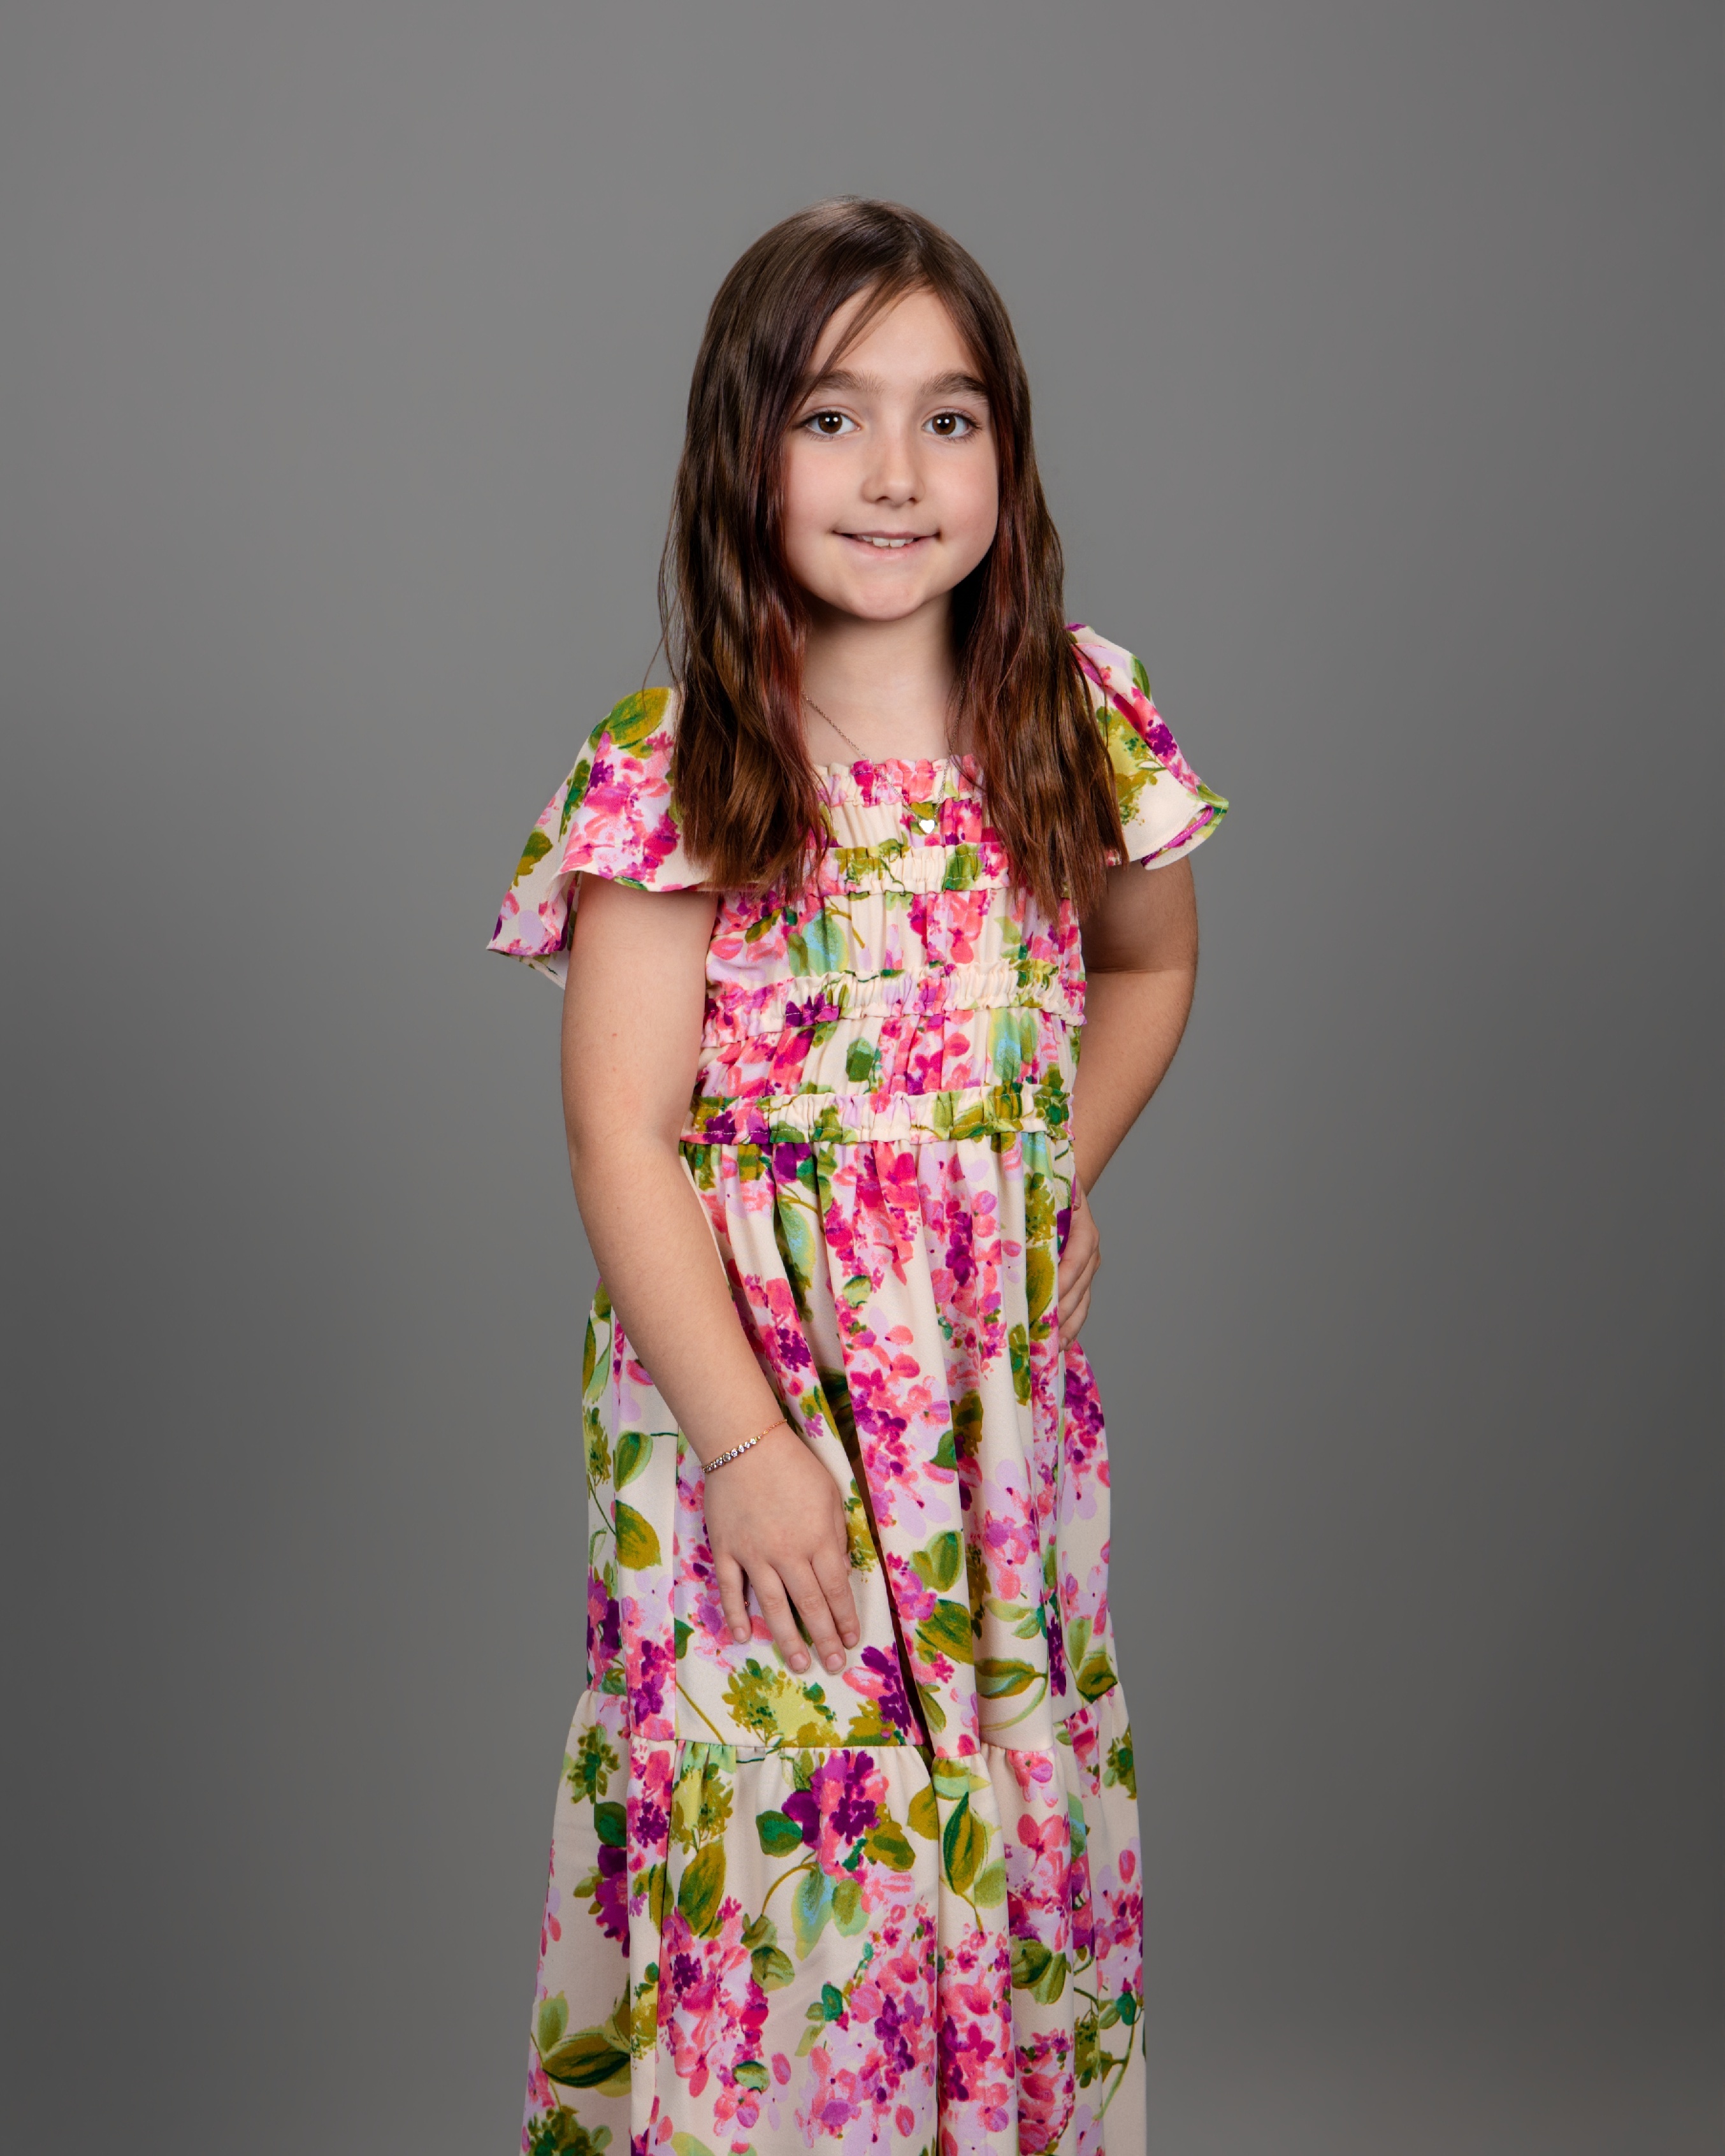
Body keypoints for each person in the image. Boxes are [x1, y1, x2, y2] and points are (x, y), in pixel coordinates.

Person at [489, 197, 1227, 2156]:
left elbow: (1145, 970)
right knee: (792, 1856)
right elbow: (618, 1133)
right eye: (831, 417)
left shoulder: (1077, 718)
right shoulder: (679, 765)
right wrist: (747, 1450)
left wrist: (1043, 1178)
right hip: (753, 1412)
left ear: (1006, 455)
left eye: (947, 418)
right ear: (742, 451)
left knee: (993, 1813)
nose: (896, 473)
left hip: (984, 1415)